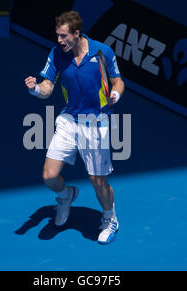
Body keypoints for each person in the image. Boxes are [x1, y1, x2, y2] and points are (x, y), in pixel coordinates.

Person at [24, 10, 124, 244]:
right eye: (57, 36)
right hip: (69, 120)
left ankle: (110, 218)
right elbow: (47, 87)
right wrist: (35, 89)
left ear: (76, 34)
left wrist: (116, 95)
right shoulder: (57, 54)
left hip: (96, 123)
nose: (59, 41)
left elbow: (117, 80)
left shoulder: (102, 51)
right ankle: (65, 196)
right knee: (49, 175)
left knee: (98, 181)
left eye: (63, 36)